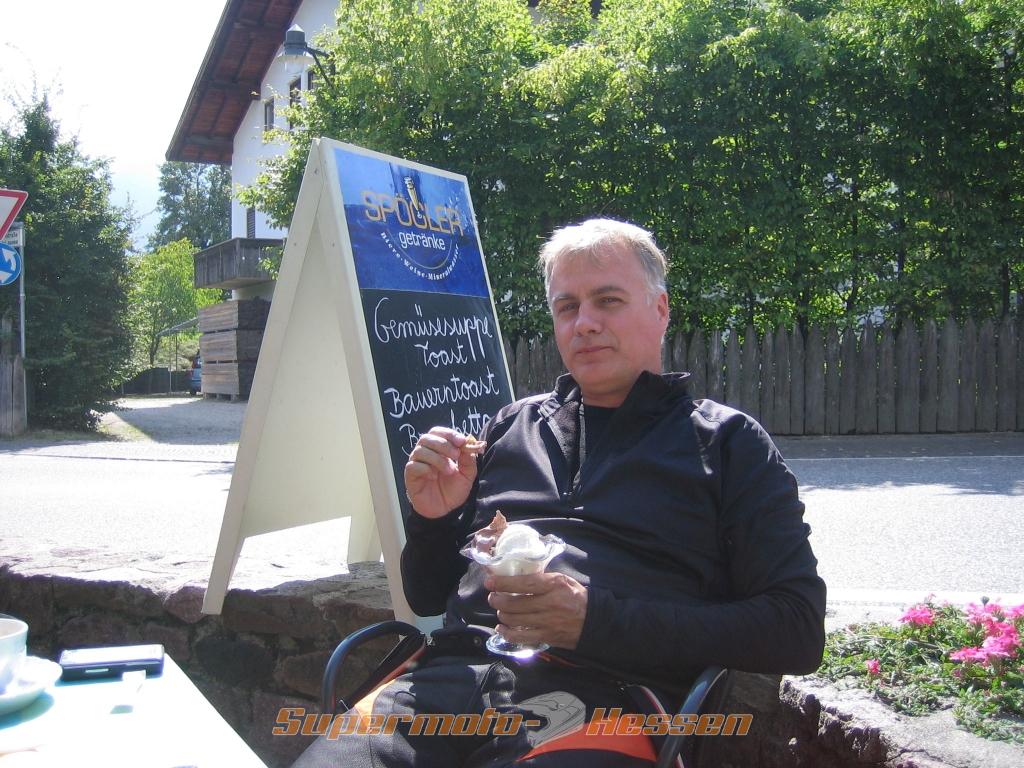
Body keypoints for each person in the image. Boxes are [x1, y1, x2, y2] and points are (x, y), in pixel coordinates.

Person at [293, 218, 826, 767]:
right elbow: (427, 597)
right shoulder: (509, 427)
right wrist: (433, 519)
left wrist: (595, 621)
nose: (585, 323)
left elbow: (797, 628)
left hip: (604, 700)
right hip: (444, 683)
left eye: (608, 300)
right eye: (567, 306)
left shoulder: (727, 442)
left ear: (661, 309)